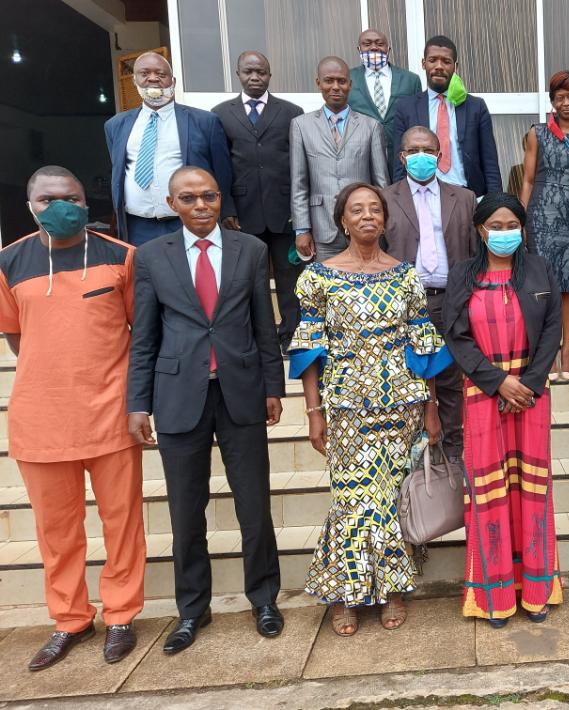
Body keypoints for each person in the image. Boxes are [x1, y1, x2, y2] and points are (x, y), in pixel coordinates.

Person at [127, 166, 285, 654]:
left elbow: (265, 325)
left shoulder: (251, 251)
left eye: (209, 196)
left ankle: (263, 598)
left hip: (239, 390)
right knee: (185, 512)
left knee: (254, 505)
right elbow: (145, 335)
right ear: (172, 204)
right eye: (189, 198)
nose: (201, 205)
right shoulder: (152, 257)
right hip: (178, 396)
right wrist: (137, 403)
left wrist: (273, 387)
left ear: (220, 200)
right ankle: (192, 610)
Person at [0, 166, 145, 670]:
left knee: (122, 523)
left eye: (70, 197)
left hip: (110, 415)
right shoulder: (8, 262)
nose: (59, 205)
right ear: (30, 205)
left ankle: (122, 615)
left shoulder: (121, 258)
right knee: (57, 532)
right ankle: (70, 619)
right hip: (41, 420)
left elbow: (139, 335)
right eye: (47, 199)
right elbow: (17, 338)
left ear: (87, 203)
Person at [288, 182, 448, 635]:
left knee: (392, 497)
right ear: (342, 221)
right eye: (356, 210)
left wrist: (431, 407)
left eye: (374, 209)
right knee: (353, 500)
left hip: (401, 405)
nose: (366, 216)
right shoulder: (318, 277)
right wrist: (313, 412)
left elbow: (423, 345)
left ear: (385, 218)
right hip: (347, 408)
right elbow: (308, 350)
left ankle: (393, 589)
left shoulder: (405, 275)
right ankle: (347, 594)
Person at [443, 193, 563, 627]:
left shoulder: (538, 268)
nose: (505, 232)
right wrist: (498, 383)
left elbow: (553, 327)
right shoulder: (463, 275)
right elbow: (456, 336)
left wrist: (527, 384)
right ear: (480, 230)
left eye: (513, 224)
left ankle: (535, 590)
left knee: (530, 491)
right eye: (496, 225)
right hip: (483, 395)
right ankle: (494, 595)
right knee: (490, 495)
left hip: (530, 395)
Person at [382, 126, 477, 466]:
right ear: (402, 157)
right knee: (409, 382)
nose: (421, 155)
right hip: (403, 306)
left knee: (451, 383)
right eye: (414, 149)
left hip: (450, 301)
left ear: (439, 156)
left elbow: (474, 251)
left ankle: (451, 462)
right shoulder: (383, 199)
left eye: (428, 150)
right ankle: (411, 469)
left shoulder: (464, 198)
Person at [212, 51, 305, 353]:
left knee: (289, 277)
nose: (255, 78)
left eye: (261, 72)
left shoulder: (291, 112)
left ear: (270, 74)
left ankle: (290, 335)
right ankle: (256, 338)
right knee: (249, 279)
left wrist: (298, 211)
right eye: (249, 72)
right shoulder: (221, 114)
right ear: (238, 74)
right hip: (241, 213)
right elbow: (220, 166)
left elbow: (299, 165)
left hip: (283, 212)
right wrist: (226, 209)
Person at [104, 52, 234, 246]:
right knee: (145, 276)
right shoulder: (116, 125)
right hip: (137, 226)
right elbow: (119, 170)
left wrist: (226, 214)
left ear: (172, 81)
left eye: (161, 74)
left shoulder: (205, 122)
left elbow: (222, 173)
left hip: (187, 223)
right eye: (144, 73)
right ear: (134, 80)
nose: (153, 78)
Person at [520, 70, 569, 382]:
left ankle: (566, 352)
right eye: (560, 97)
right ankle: (548, 352)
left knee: (567, 288)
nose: (566, 102)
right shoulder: (536, 133)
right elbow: (527, 180)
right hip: (539, 216)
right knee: (543, 287)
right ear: (552, 101)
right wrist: (521, 220)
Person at [291, 56, 390, 264]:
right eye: (329, 81)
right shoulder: (301, 126)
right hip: (322, 228)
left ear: (350, 84)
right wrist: (302, 229)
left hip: (364, 227)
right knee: (327, 289)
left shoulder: (370, 126)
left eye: (341, 81)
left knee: (365, 286)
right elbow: (299, 183)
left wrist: (383, 227)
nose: (335, 87)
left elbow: (381, 183)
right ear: (319, 83)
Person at [391, 36, 501, 197]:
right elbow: (399, 163)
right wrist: (399, 199)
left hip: (467, 195)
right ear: (423, 64)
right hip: (421, 193)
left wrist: (495, 203)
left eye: (446, 61)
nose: (439, 66)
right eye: (433, 60)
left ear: (455, 66)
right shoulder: (406, 107)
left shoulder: (475, 107)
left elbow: (490, 162)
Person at [348, 28, 423, 170]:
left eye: (379, 43)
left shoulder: (410, 80)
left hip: (401, 160)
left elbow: (417, 121)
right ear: (359, 49)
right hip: (362, 160)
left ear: (388, 49)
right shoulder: (348, 79)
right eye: (367, 44)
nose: (374, 47)